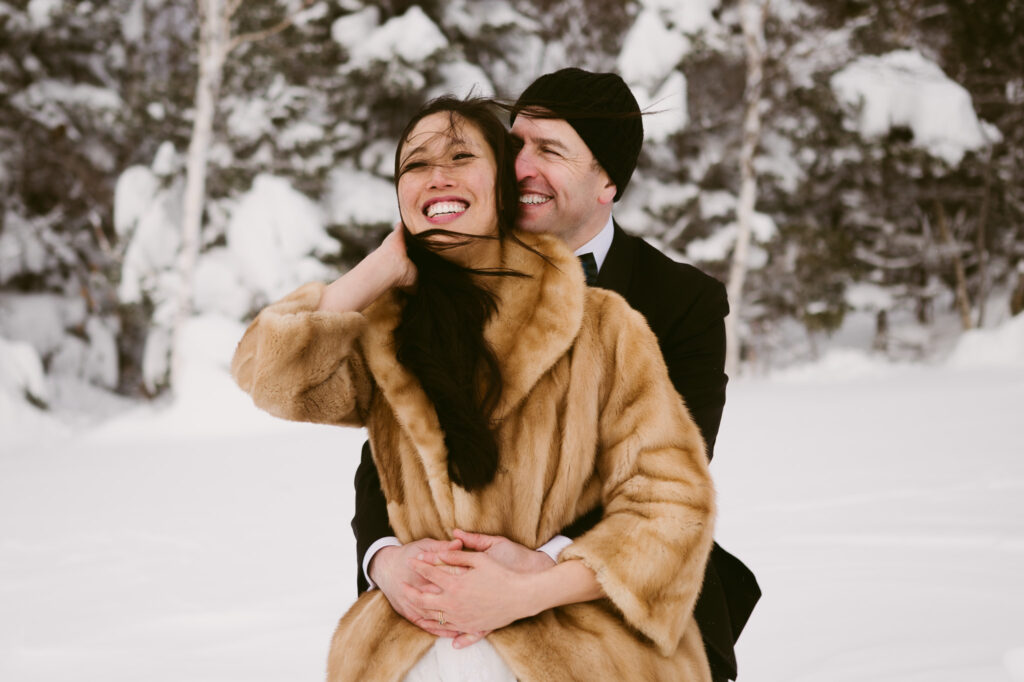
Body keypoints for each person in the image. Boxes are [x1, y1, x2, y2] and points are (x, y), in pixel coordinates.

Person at [232, 95, 716, 680]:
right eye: (414, 165)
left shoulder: (603, 325)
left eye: (461, 156)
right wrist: (382, 265)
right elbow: (268, 377)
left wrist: (530, 588)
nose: (437, 176)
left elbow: (673, 507)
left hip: (573, 646)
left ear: (504, 188)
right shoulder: (386, 325)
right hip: (412, 645)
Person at [352, 69, 761, 681]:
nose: (520, 167)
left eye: (551, 149)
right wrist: (387, 559)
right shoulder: (456, 266)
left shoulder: (680, 300)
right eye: (515, 144)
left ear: (607, 182)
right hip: (454, 594)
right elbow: (391, 445)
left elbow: (672, 474)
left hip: (609, 588)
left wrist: (536, 571)